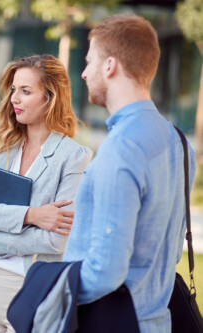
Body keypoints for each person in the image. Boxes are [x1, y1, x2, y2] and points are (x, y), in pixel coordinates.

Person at [63, 14, 196, 332]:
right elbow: (171, 249)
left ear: (109, 66)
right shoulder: (178, 141)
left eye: (89, 61)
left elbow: (105, 271)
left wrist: (50, 291)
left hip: (110, 323)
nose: (83, 73)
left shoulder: (121, 148)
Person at [0, 54, 92, 332]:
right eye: (13, 90)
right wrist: (31, 215)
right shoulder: (0, 141)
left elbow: (56, 240)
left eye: (26, 91)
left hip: (31, 286)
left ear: (50, 98)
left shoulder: (72, 157)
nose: (14, 99)